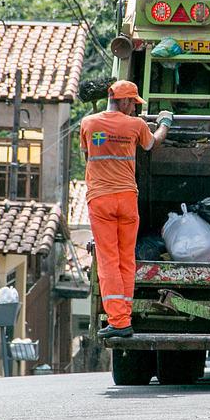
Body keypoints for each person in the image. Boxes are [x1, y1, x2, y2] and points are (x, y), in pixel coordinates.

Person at [80, 80, 173, 339]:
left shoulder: (88, 123)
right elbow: (152, 144)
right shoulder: (136, 126)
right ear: (120, 100)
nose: (134, 107)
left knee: (109, 261)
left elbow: (88, 156)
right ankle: (124, 315)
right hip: (127, 200)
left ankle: (119, 321)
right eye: (132, 102)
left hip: (101, 201)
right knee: (126, 260)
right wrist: (165, 122)